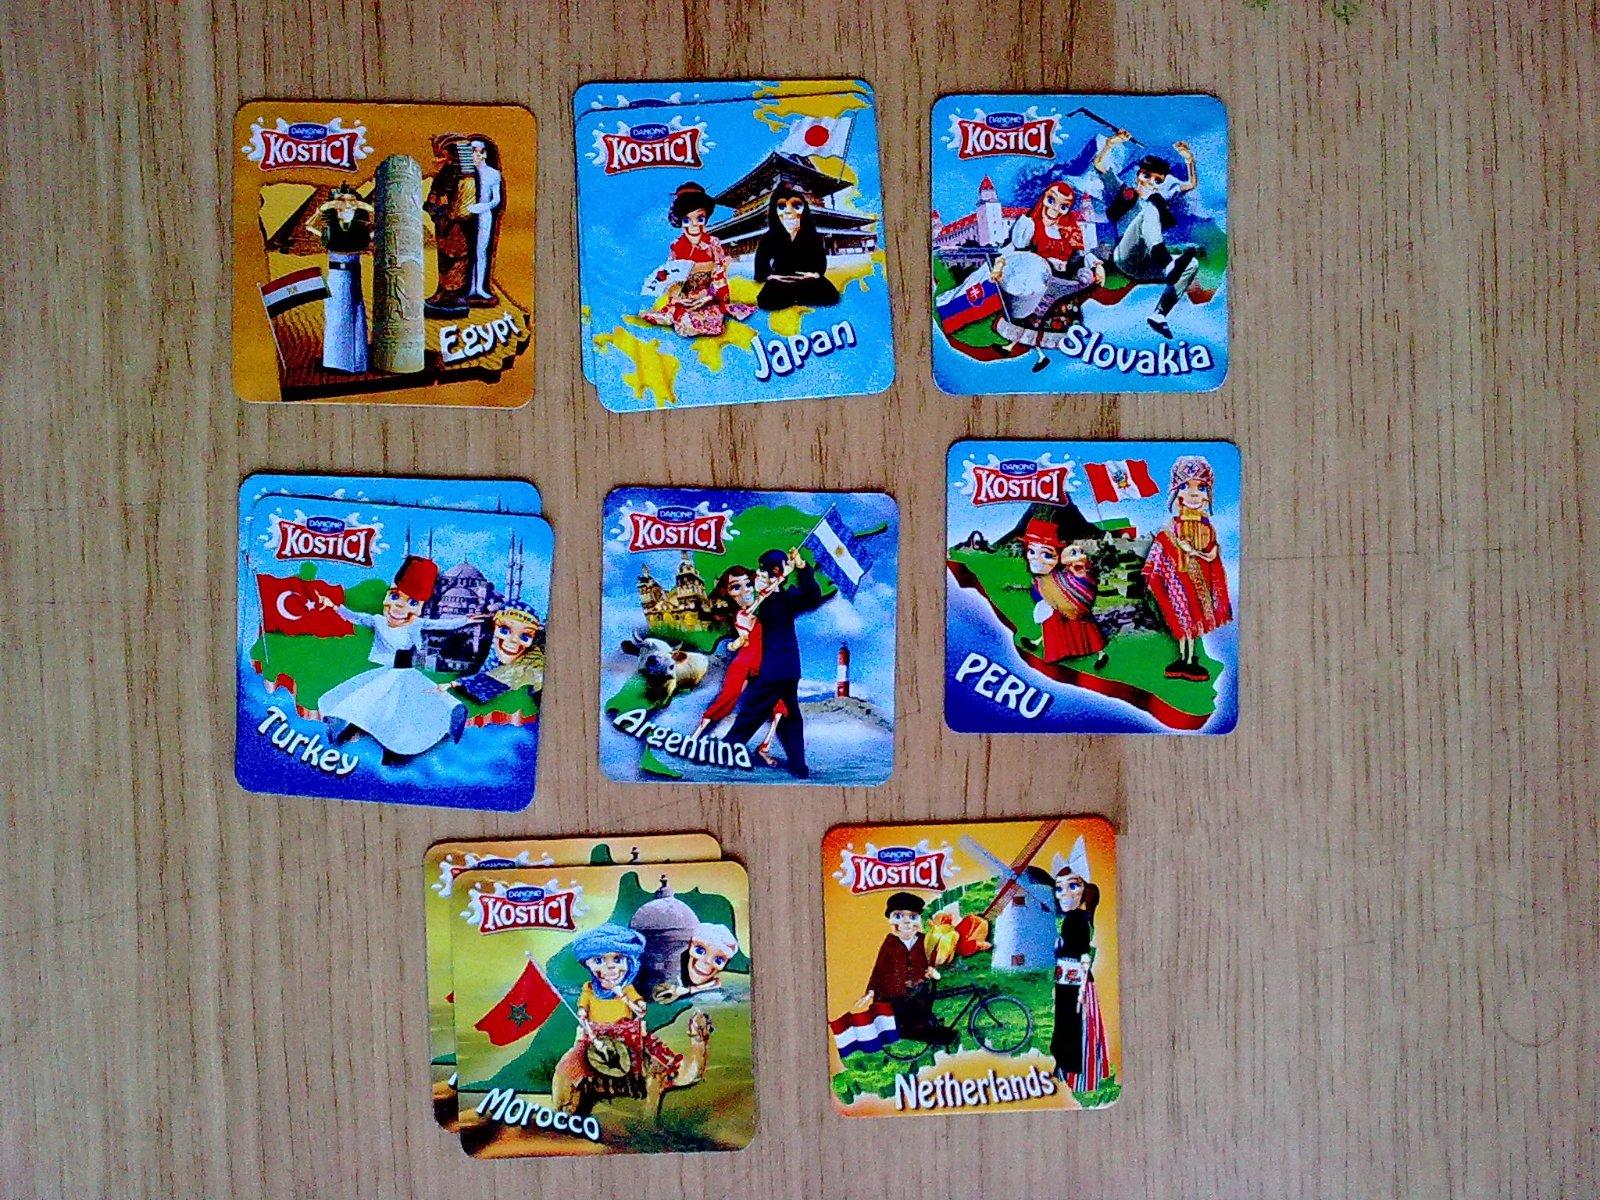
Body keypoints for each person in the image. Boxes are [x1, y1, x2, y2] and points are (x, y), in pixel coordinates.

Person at [316, 556, 487, 764]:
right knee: (365, 701)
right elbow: (355, 616)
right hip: (388, 672)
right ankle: (353, 731)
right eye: (395, 596)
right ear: (387, 596)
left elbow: (441, 625)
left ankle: (398, 749)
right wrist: (334, 606)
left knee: (407, 709)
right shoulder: (378, 621)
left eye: (412, 603)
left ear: (420, 607)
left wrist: (467, 620)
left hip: (406, 675)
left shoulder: (416, 624)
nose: (399, 607)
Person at [719, 548, 824, 778]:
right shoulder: (762, 600)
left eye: (760, 571)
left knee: (754, 709)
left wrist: (802, 567)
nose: (756, 575)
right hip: (786, 668)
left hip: (776, 668)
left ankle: (726, 749)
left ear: (774, 572)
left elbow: (813, 597)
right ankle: (798, 765)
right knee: (788, 716)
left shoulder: (785, 598)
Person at [1094, 131, 1202, 339]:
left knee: (1192, 264)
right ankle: (1167, 264)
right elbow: (1099, 164)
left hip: (1146, 265)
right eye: (1146, 176)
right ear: (1138, 175)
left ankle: (1159, 315)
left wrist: (1189, 160)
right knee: (1150, 210)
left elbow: (1190, 184)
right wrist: (1110, 143)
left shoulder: (1159, 198)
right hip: (1124, 256)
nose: (1150, 182)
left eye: (1157, 180)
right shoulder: (1124, 192)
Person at [989, 181, 1104, 372]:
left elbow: (1083, 253)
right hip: (1040, 280)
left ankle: (1043, 356)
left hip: (1063, 281)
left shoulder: (1069, 230)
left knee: (1047, 320)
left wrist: (1097, 266)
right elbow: (1013, 249)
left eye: (1063, 206)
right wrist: (999, 265)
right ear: (1044, 199)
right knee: (1031, 317)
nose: (1055, 209)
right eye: (1051, 200)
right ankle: (1024, 350)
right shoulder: (1030, 225)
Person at [1140, 455, 1232, 681]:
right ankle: (1184, 659)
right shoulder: (1170, 528)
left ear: (1207, 495)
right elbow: (1160, 550)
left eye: (1200, 488)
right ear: (1177, 493)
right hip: (1176, 582)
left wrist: (1199, 553)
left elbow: (1212, 555)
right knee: (1183, 623)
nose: (1193, 494)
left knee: (1194, 623)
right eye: (1185, 487)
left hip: (1200, 585)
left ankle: (1191, 660)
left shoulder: (1208, 527)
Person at [569, 924, 680, 1098]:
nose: (610, 967)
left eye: (618, 959)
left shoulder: (627, 988)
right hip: (596, 1033)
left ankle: (649, 1078)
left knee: (646, 1047)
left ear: (629, 961)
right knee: (578, 1057)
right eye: (598, 961)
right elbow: (583, 1006)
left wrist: (628, 998)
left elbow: (639, 1008)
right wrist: (582, 1012)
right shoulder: (589, 988)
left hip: (625, 1031)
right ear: (587, 963)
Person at [638, 182, 757, 337]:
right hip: (685, 299)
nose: (694, 225)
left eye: (699, 218)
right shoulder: (676, 246)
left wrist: (707, 297)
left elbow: (719, 277)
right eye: (687, 220)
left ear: (706, 218)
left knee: (708, 320)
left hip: (708, 298)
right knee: (682, 320)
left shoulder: (713, 244)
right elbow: (673, 279)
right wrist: (680, 299)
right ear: (680, 221)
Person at [694, 564, 785, 762]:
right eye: (736, 587)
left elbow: (767, 597)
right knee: (727, 699)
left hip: (764, 664)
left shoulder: (763, 611)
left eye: (748, 585)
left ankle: (764, 747)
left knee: (779, 707)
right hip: (745, 662)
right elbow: (756, 606)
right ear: (728, 594)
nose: (745, 591)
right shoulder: (741, 615)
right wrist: (737, 642)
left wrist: (781, 576)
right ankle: (695, 738)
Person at [856, 892, 958, 1050]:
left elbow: (934, 958)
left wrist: (935, 972)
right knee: (904, 1019)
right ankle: (914, 1033)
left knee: (920, 1012)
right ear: (891, 920)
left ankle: (925, 1031)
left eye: (912, 917)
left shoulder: (925, 940)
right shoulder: (890, 944)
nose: (906, 922)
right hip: (894, 994)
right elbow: (879, 969)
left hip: (918, 990)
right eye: (898, 916)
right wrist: (870, 991)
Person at [1050, 839, 1109, 1091]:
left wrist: (1083, 988)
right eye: (1059, 888)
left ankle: (1075, 1072)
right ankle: (1063, 1067)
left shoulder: (1078, 920)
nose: (1064, 894)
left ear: (1085, 890)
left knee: (1073, 1024)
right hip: (1065, 979)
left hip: (1076, 982)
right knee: (1063, 1022)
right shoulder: (1071, 919)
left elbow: (1083, 954)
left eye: (1072, 886)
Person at [1019, 520, 1110, 667]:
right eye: (1031, 552)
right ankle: (1046, 647)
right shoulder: (1045, 579)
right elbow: (1038, 593)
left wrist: (1068, 597)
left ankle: (1101, 654)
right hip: (1057, 608)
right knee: (1053, 626)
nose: (1036, 558)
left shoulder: (1070, 573)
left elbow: (1083, 587)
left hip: (1075, 608)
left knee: (1085, 628)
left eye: (1046, 554)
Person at [306, 183, 373, 373]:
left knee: (356, 314)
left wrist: (367, 207)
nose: (346, 205)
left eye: (351, 201)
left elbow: (379, 227)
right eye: (341, 201)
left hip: (354, 274)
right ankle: (336, 362)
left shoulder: (360, 231)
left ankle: (357, 363)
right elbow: (309, 226)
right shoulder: (330, 230)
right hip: (337, 275)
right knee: (337, 316)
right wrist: (319, 211)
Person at [752, 181, 841, 311]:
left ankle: (797, 297)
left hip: (807, 279)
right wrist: (771, 276)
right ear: (775, 211)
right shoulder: (769, 237)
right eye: (782, 206)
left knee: (830, 295)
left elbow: (820, 263)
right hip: (781, 279)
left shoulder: (812, 235)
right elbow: (761, 265)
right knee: (766, 300)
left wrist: (814, 274)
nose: (789, 211)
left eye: (796, 205)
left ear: (804, 209)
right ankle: (796, 297)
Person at [441, 601, 544, 704]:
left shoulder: (533, 664)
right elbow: (487, 672)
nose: (513, 640)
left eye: (525, 637)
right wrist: (454, 683)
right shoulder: (494, 648)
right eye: (504, 630)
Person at [464, 139, 503, 305]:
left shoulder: (493, 174)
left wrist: (481, 207)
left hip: (484, 214)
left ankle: (479, 287)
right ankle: (468, 287)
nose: (475, 155)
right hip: (466, 215)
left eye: (477, 152)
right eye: (472, 152)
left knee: (481, 251)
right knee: (468, 252)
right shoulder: (467, 174)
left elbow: (496, 200)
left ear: (484, 154)